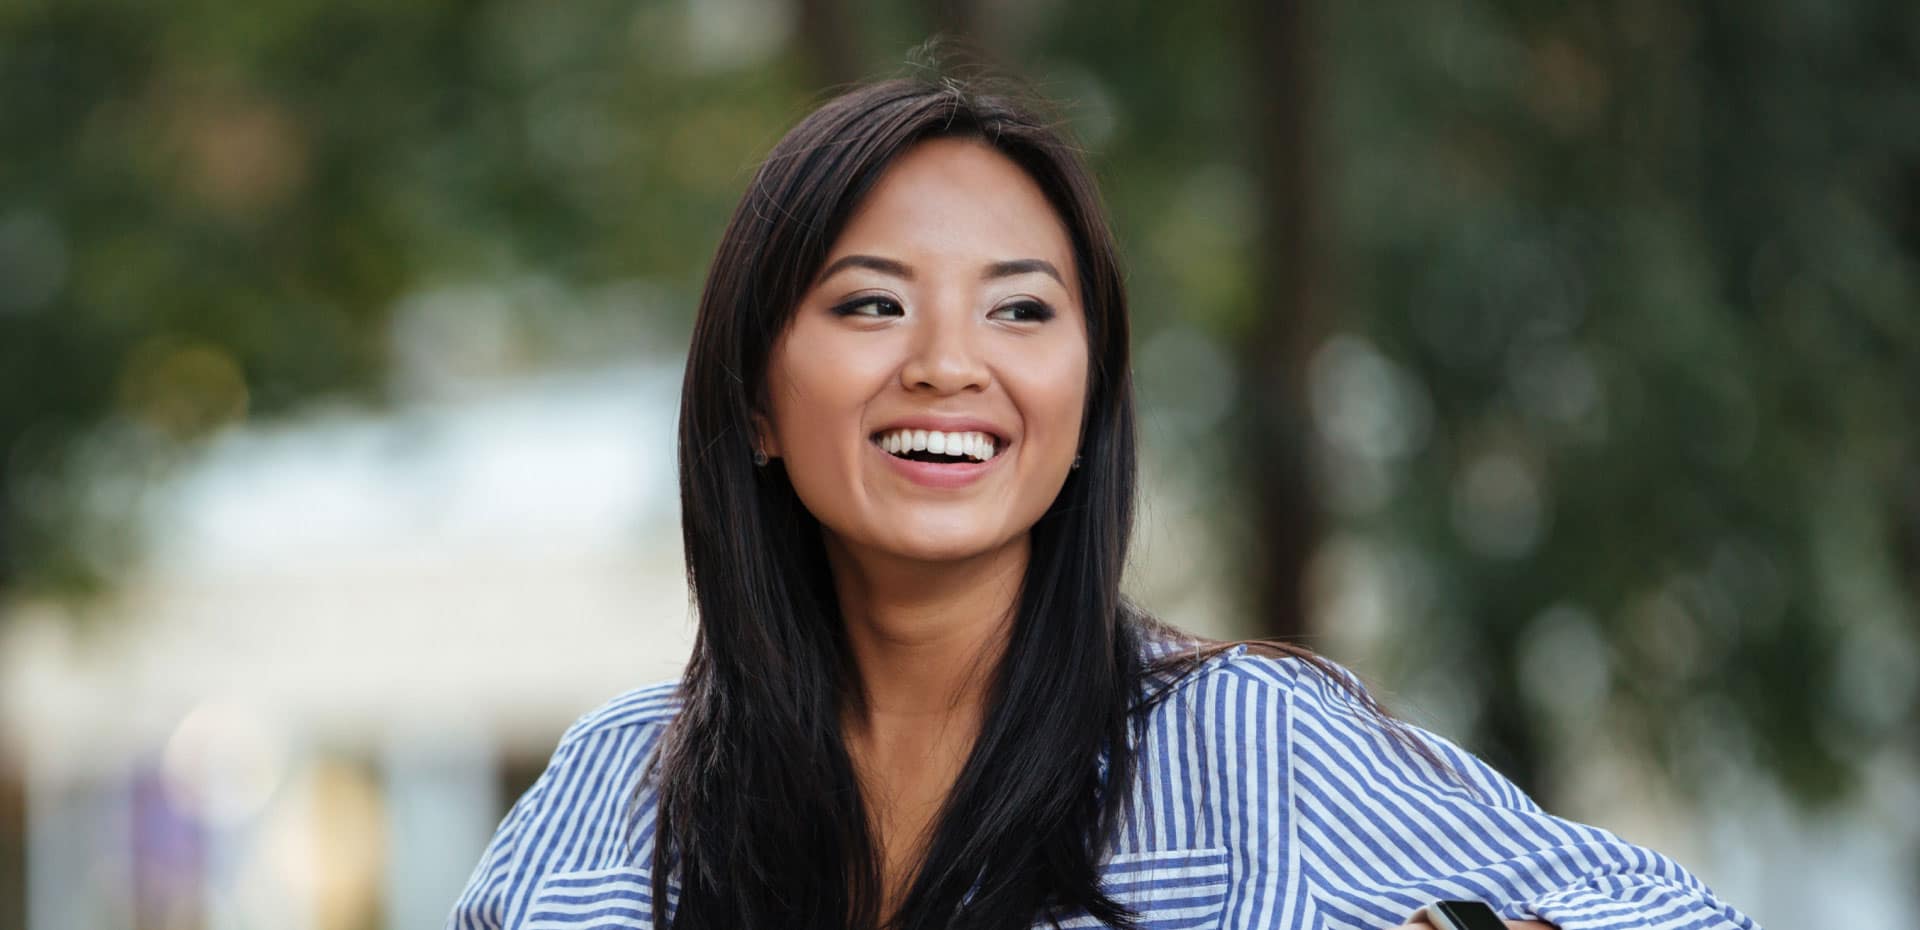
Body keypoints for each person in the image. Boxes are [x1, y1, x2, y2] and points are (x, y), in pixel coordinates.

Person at [446, 73, 1762, 930]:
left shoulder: (1247, 750)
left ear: (1085, 407)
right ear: (751, 396)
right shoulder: (606, 792)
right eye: (872, 303)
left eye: (1022, 307)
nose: (949, 362)